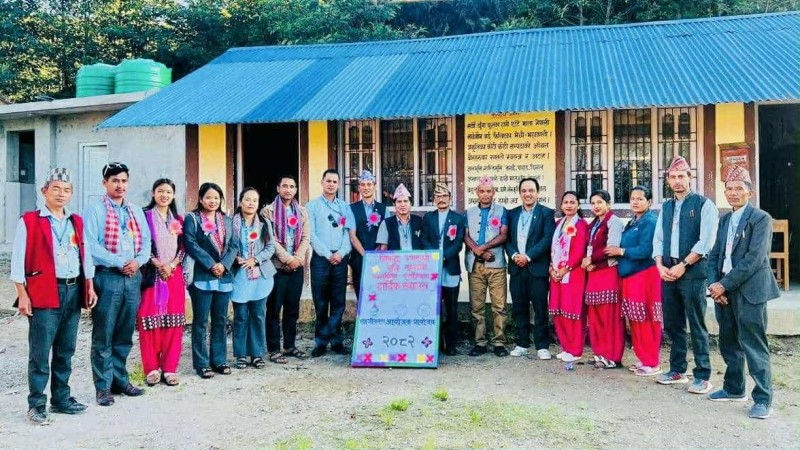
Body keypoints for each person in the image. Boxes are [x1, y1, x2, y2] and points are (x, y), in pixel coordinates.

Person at [11, 168, 98, 424]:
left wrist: (89, 285)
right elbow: (18, 261)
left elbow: (86, 255)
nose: (61, 194)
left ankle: (61, 398)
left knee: (66, 348)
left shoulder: (76, 221)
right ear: (44, 191)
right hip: (45, 290)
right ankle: (36, 403)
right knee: (40, 350)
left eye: (67, 190)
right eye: (56, 189)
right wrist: (22, 294)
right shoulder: (30, 221)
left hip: (73, 289)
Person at [706, 166, 779, 419]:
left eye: (739, 188)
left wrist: (723, 284)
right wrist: (715, 286)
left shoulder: (761, 218)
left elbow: (754, 260)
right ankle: (734, 389)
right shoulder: (724, 219)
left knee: (753, 344)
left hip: (750, 292)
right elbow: (715, 254)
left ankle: (763, 399)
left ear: (750, 191)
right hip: (723, 292)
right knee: (728, 343)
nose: (734, 193)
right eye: (730, 189)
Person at [83, 162, 151, 406]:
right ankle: (102, 387)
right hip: (108, 277)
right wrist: (120, 261)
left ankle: (120, 380)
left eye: (123, 181)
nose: (120, 185)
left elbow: (146, 243)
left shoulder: (135, 211)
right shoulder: (94, 211)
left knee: (124, 333)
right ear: (105, 183)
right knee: (104, 333)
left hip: (132, 277)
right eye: (115, 181)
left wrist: (138, 261)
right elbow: (91, 245)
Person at [653, 156, 718, 394]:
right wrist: (660, 266)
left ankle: (702, 375)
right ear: (668, 180)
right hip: (668, 272)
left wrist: (683, 265)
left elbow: (706, 241)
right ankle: (677, 369)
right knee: (673, 323)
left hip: (692, 273)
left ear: (690, 178)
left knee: (697, 323)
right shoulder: (666, 207)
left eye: (682, 176)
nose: (678, 181)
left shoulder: (703, 204)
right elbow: (658, 239)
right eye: (673, 177)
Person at [184, 182, 238, 378]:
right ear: (200, 199)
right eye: (208, 197)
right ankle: (201, 363)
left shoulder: (228, 220)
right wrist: (211, 264)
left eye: (216, 198)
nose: (212, 201)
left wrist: (223, 265)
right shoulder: (192, 219)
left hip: (223, 276)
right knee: (200, 321)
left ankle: (219, 360)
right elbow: (190, 243)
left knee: (220, 320)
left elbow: (234, 246)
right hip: (202, 275)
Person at [605, 186, 661, 376]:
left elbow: (646, 250)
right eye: (633, 198)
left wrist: (620, 252)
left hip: (644, 275)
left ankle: (652, 362)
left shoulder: (650, 221)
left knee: (646, 319)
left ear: (650, 202)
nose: (635, 202)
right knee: (635, 318)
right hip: (630, 276)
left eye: (640, 199)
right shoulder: (633, 221)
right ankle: (643, 358)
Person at [138, 179, 186, 387]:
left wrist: (173, 264)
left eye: (168, 192)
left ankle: (169, 368)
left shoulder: (178, 220)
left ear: (174, 195)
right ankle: (151, 368)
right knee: (149, 321)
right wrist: (158, 264)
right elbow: (140, 243)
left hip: (173, 276)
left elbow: (184, 248)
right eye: (160, 191)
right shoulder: (144, 216)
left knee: (173, 322)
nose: (164, 195)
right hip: (152, 275)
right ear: (153, 193)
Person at [306, 169, 356, 357]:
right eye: (328, 180)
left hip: (340, 260)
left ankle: (335, 340)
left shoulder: (344, 207)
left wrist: (341, 253)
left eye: (335, 181)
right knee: (320, 302)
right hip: (321, 259)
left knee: (338, 302)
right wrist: (328, 254)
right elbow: (311, 234)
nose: (331, 184)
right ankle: (320, 342)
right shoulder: (312, 206)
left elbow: (348, 233)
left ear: (339, 184)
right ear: (322, 182)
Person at [505, 177, 556, 360]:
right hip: (517, 268)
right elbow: (507, 240)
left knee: (540, 307)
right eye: (524, 191)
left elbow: (547, 239)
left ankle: (542, 345)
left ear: (537, 193)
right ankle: (522, 343)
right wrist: (514, 256)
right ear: (520, 193)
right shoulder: (511, 214)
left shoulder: (546, 213)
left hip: (537, 268)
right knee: (519, 307)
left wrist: (527, 256)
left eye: (531, 190)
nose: (527, 194)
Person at [261, 174, 310, 360]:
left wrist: (297, 259)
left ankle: (290, 346)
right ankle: (274, 348)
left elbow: (306, 237)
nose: (288, 189)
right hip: (277, 268)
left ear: (296, 190)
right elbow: (270, 239)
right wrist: (288, 259)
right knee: (274, 308)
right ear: (278, 188)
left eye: (292, 186)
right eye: (284, 186)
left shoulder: (303, 212)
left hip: (297, 267)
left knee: (292, 308)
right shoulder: (268, 212)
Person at [463, 176, 509, 357]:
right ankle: (480, 342)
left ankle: (499, 342)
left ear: (493, 193)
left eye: (489, 191)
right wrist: (479, 251)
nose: (485, 194)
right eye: (482, 191)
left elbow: (503, 235)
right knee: (477, 307)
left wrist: (485, 247)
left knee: (499, 306)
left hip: (496, 265)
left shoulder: (502, 211)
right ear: (477, 193)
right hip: (475, 265)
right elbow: (465, 236)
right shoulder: (469, 212)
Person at [230, 187, 276, 369]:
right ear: (240, 201)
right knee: (240, 316)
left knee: (258, 315)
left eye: (255, 200)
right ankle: (241, 354)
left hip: (260, 276)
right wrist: (235, 258)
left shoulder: (265, 223)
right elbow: (225, 246)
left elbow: (271, 247)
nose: (251, 203)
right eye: (247, 199)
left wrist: (255, 259)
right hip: (238, 275)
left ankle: (257, 354)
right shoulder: (230, 223)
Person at [421, 183, 466, 356]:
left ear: (450, 199)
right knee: (434, 308)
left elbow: (458, 243)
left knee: (451, 308)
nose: (441, 199)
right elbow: (424, 240)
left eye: (444, 196)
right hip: (432, 268)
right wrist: (434, 257)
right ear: (433, 200)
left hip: (450, 268)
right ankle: (435, 343)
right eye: (438, 196)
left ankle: (451, 344)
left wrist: (444, 257)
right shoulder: (428, 218)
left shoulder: (458, 219)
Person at [583, 189, 625, 369]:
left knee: (610, 316)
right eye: (593, 203)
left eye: (600, 202)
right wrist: (588, 263)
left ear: (608, 204)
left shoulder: (614, 222)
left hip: (608, 274)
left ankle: (613, 356)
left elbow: (611, 249)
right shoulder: (593, 224)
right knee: (596, 316)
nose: (596, 206)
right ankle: (599, 353)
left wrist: (591, 260)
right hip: (594, 274)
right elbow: (588, 248)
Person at [549, 191, 589, 363]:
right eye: (566, 202)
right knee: (559, 311)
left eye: (573, 202)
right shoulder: (558, 223)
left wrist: (566, 269)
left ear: (578, 205)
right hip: (556, 275)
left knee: (573, 311)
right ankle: (566, 347)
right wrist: (552, 269)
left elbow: (580, 251)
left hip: (574, 274)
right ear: (561, 205)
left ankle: (575, 349)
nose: (569, 205)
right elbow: (552, 249)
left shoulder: (581, 225)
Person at [348, 170, 386, 299]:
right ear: (359, 188)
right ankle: (363, 318)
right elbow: (352, 235)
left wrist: (378, 252)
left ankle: (377, 319)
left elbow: (385, 234)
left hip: (378, 257)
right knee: (361, 290)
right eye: (363, 185)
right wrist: (365, 255)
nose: (366, 188)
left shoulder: (383, 208)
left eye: (369, 184)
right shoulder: (352, 208)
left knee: (378, 290)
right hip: (359, 257)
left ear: (374, 186)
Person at [376, 183, 424, 251]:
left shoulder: (419, 221)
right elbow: (383, 249)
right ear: (394, 205)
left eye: (405, 201)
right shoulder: (386, 223)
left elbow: (425, 245)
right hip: (394, 261)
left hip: (416, 260)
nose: (402, 205)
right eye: (399, 202)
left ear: (410, 204)